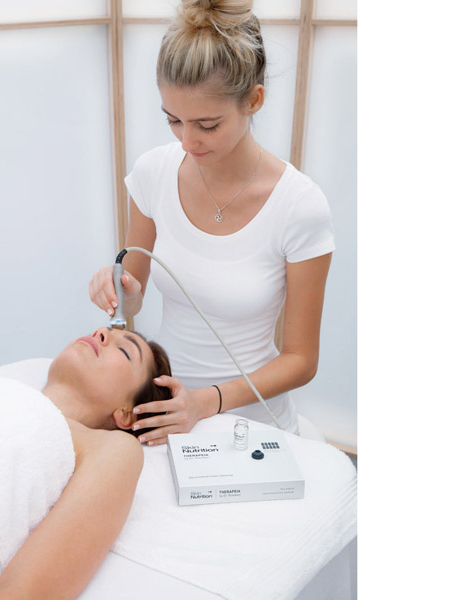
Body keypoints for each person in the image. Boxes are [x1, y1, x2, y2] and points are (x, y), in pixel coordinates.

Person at [89, 0, 334, 445]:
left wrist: (206, 401)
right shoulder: (153, 174)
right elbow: (133, 300)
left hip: (252, 422)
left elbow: (301, 360)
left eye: (207, 125)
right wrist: (117, 289)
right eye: (174, 120)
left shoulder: (299, 206)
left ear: (254, 100)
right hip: (165, 411)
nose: (187, 141)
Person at [0, 327, 171, 600]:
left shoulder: (108, 448)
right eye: (104, 330)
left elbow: (21, 593)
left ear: (128, 414)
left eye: (125, 351)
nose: (101, 332)